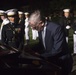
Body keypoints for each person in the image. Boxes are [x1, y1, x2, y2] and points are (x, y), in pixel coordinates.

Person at [28, 10, 73, 75]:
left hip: (62, 62)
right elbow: (42, 44)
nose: (33, 29)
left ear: (41, 23)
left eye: (34, 26)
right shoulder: (40, 28)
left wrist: (41, 56)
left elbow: (57, 49)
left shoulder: (56, 29)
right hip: (51, 60)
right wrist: (30, 48)